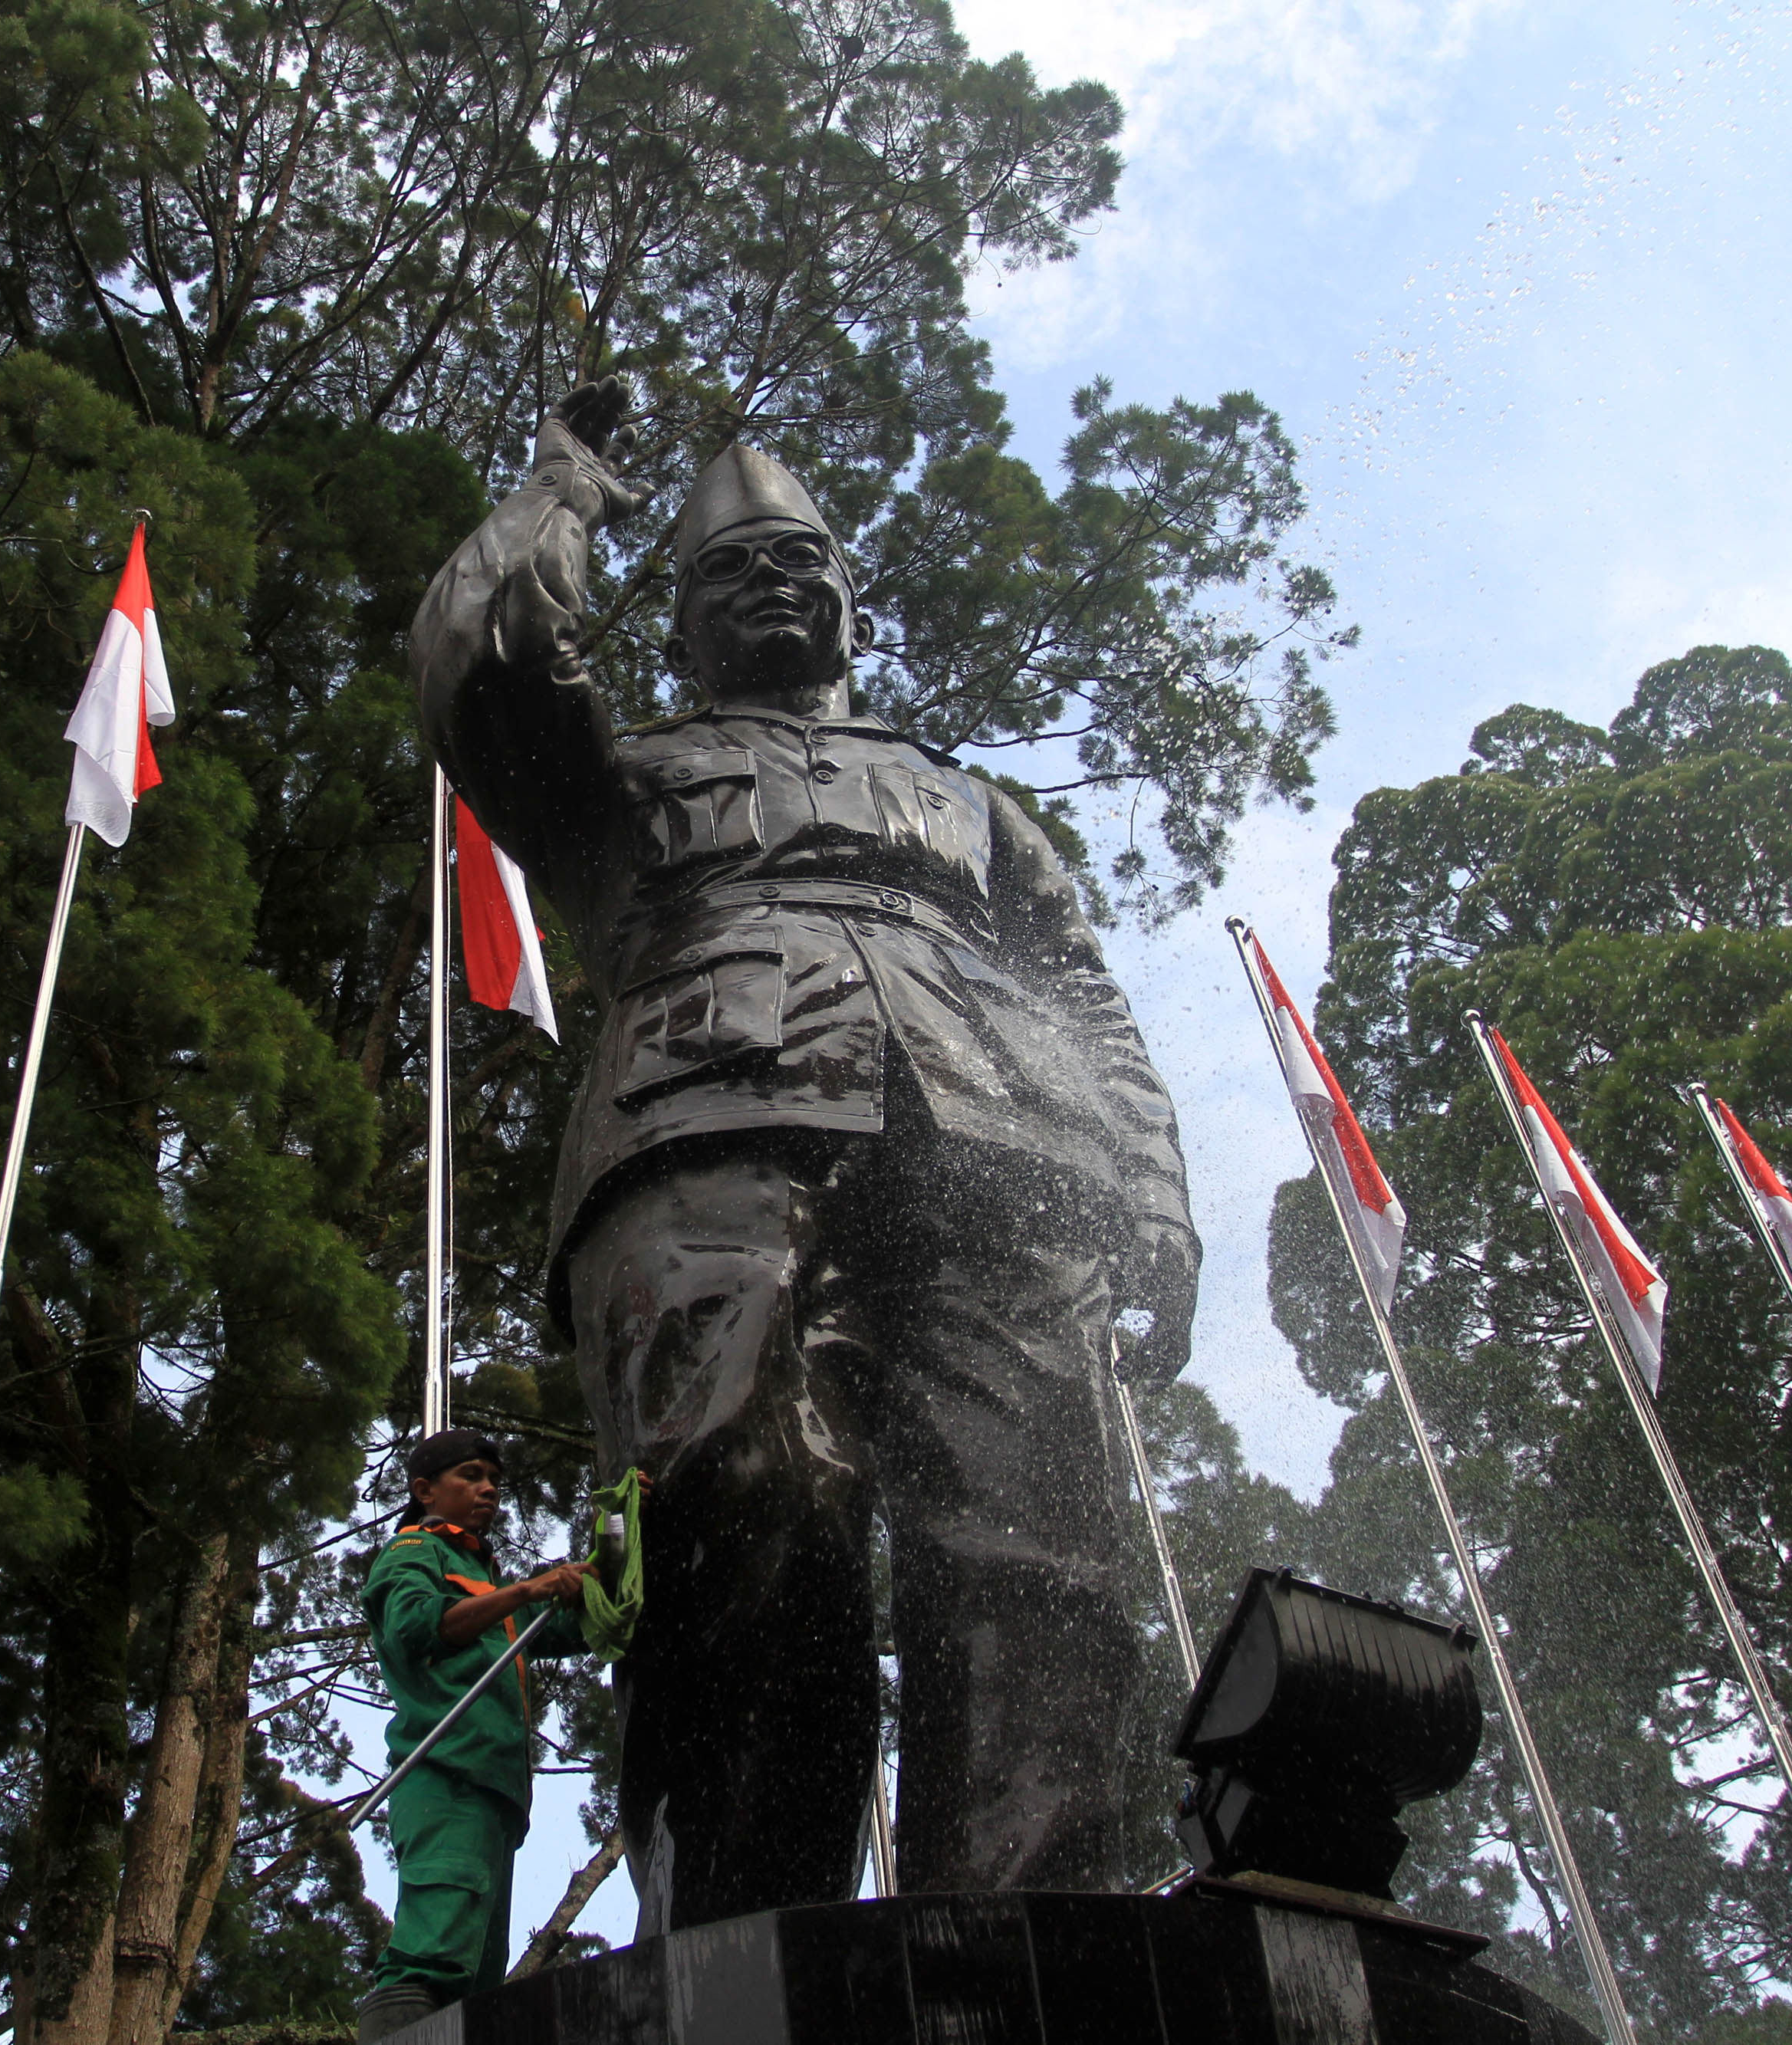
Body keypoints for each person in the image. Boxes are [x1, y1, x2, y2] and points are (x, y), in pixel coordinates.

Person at [409, 381, 1200, 1932]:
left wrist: (1153, 1189)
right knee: (747, 1508)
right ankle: (740, 1946)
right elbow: (484, 663)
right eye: (726, 573)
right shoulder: (621, 782)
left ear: (850, 600)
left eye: (802, 562)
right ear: (679, 624)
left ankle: (1030, 1941)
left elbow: (1085, 996)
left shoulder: (975, 811)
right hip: (708, 1124)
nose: (772, 581)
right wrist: (563, 485)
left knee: (1042, 1543)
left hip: (1005, 1149)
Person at [353, 1429, 596, 2041]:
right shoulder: (413, 1550)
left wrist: (621, 1534)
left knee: (478, 1974)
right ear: (424, 1489)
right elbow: (417, 1627)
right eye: (470, 1475)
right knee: (433, 1951)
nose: (488, 1488)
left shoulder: (483, 1578)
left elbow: (573, 1625)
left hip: (496, 1794)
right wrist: (527, 1588)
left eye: (493, 1479)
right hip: (447, 1777)